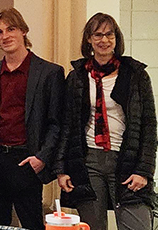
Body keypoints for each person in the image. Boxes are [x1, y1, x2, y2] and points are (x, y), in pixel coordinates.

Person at [55, 12, 156, 230]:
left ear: (116, 39)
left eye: (109, 34)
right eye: (98, 35)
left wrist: (144, 171)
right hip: (88, 160)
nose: (104, 40)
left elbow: (149, 125)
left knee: (137, 225)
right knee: (93, 226)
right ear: (89, 40)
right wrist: (61, 169)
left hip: (127, 160)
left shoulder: (135, 74)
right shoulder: (77, 76)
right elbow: (67, 125)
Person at [0, 8, 65, 230]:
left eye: (11, 29)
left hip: (26, 160)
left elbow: (56, 123)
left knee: (32, 223)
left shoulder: (50, 73)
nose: (5, 36)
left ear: (23, 31)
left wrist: (41, 157)